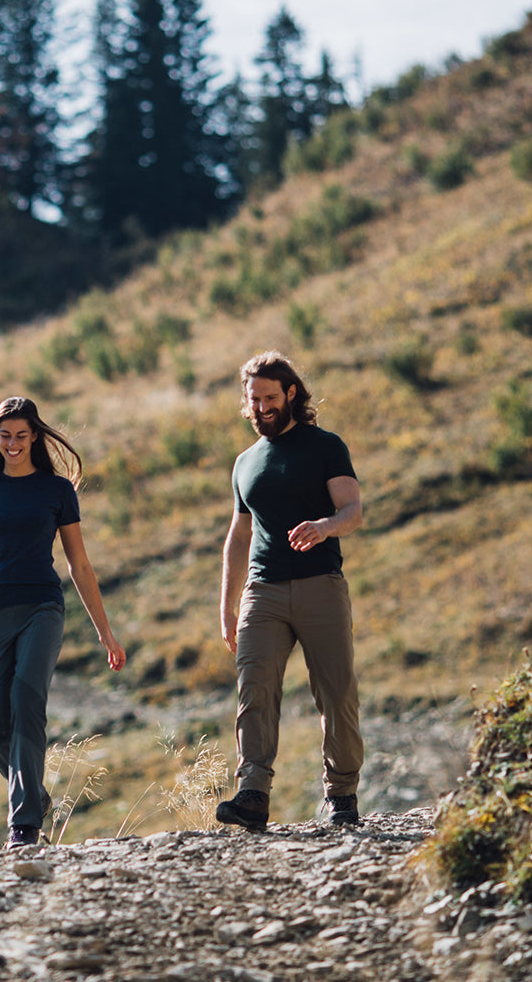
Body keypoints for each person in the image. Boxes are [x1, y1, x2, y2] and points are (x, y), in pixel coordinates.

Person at [0, 396, 126, 849]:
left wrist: (105, 632)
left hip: (42, 608)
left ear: (35, 436)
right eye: (4, 435)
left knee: (26, 703)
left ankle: (25, 825)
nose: (12, 443)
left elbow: (79, 564)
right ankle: (33, 792)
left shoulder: (56, 491)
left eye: (20, 434)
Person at [217, 351, 365, 830]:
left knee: (336, 692)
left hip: (320, 583)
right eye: (254, 399)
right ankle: (253, 793)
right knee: (254, 689)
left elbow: (352, 511)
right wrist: (227, 606)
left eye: (270, 398)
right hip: (262, 591)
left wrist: (324, 527)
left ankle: (341, 795)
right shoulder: (245, 463)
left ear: (291, 395)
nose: (261, 407)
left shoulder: (325, 446)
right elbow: (239, 537)